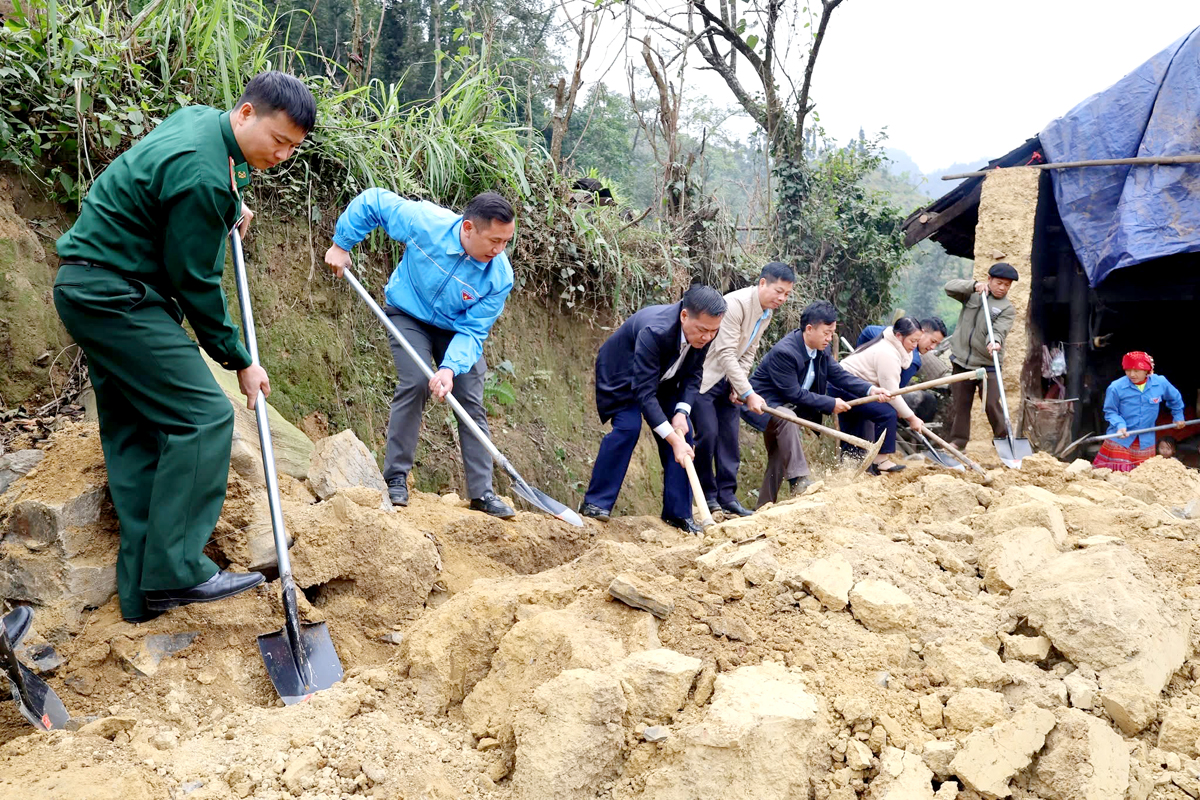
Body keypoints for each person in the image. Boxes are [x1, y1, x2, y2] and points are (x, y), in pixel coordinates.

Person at [52, 72, 316, 623]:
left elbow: (202, 179)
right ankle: (175, 570)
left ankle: (144, 594)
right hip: (119, 298)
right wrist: (239, 358)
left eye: (294, 147)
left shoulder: (200, 121)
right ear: (246, 114)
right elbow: (195, 283)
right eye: (279, 139)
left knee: (136, 434)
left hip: (87, 288)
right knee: (202, 417)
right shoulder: (204, 178)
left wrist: (231, 206)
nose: (283, 155)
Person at [324, 192, 518, 519]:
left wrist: (450, 369)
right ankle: (396, 477)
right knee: (414, 382)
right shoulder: (426, 222)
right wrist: (342, 244)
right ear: (468, 228)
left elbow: (473, 331)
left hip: (456, 330)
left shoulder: (499, 276)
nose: (499, 250)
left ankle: (482, 492)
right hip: (408, 314)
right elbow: (374, 202)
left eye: (506, 242)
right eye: (494, 241)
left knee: (470, 396)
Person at [579, 285, 727, 533]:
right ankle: (595, 504)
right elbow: (643, 394)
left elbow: (693, 375)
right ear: (684, 316)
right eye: (702, 330)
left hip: (664, 379)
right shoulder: (655, 331)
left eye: (713, 331)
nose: (707, 337)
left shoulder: (706, 331)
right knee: (628, 428)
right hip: (623, 377)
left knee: (686, 433)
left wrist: (681, 412)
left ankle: (677, 514)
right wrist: (672, 439)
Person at [748, 301, 889, 505]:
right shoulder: (785, 352)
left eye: (832, 333)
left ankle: (764, 506)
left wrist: (870, 389)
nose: (829, 337)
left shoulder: (821, 349)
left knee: (779, 457)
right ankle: (799, 480)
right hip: (764, 405)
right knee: (787, 419)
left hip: (788, 411)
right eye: (826, 332)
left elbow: (839, 374)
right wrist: (830, 403)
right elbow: (794, 393)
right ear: (809, 329)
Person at [692, 262, 795, 517]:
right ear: (762, 283)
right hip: (704, 379)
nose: (781, 298)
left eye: (787, 294)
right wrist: (749, 393)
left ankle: (727, 497)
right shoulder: (734, 305)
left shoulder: (766, 313)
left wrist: (739, 388)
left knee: (729, 439)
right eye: (778, 291)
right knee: (707, 436)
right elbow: (725, 352)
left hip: (729, 381)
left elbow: (748, 351)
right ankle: (707, 497)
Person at [944, 263, 1018, 450]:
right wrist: (973, 285)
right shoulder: (972, 295)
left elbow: (999, 330)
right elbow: (949, 287)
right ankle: (958, 441)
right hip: (961, 361)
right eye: (999, 283)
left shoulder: (1006, 308)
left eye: (1007, 285)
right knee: (961, 403)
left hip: (988, 364)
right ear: (989, 279)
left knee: (991, 402)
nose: (1002, 288)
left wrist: (995, 342)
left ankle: (1003, 441)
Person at [838, 318, 926, 474]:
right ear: (899, 336)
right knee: (887, 413)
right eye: (912, 340)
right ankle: (881, 461)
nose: (914, 345)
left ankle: (852, 466)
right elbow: (892, 391)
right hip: (845, 386)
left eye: (917, 341)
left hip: (861, 387)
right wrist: (912, 418)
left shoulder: (897, 349)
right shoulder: (887, 353)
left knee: (857, 427)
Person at [1093, 351, 1184, 471]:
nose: (1132, 374)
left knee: (1141, 477)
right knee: (1117, 477)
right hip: (1120, 439)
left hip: (1146, 439)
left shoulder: (1160, 383)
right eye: (1128, 370)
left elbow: (1175, 399)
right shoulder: (1116, 387)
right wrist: (1120, 425)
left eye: (1136, 371)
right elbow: (1110, 411)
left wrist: (1178, 416)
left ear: (1147, 370)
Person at [857, 317, 948, 421]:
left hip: (855, 382)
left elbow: (868, 331)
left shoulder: (890, 332)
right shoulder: (913, 361)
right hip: (871, 395)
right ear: (921, 332)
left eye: (937, 344)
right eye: (933, 341)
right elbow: (894, 394)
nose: (933, 347)